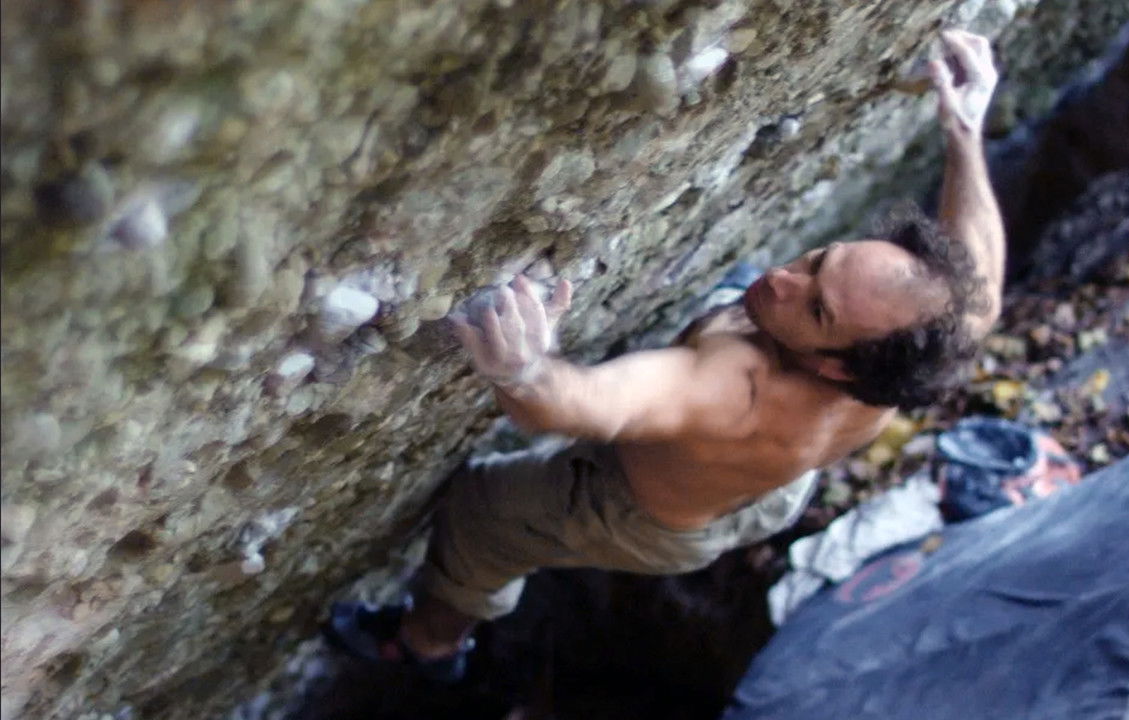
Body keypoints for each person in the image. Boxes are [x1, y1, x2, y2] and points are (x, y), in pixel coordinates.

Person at [324, 29, 1005, 680]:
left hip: (640, 511)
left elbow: (581, 405)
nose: (784, 280)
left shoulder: (729, 386)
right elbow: (979, 283)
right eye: (822, 258)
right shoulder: (924, 339)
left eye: (817, 307)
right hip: (770, 493)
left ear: (837, 368)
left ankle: (429, 646)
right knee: (754, 299)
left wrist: (524, 368)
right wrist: (966, 130)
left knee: (482, 510)